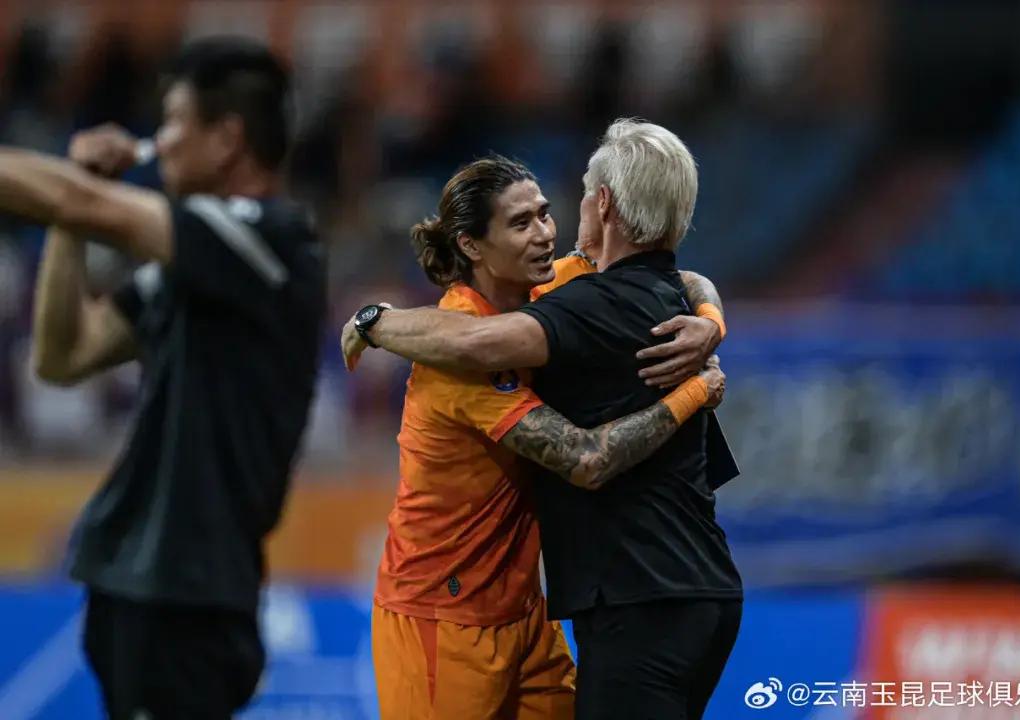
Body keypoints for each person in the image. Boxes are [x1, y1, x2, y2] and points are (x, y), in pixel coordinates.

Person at [342, 119, 742, 719]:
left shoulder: (546, 291)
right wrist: (696, 390)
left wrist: (710, 320)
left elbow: (666, 274)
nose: (545, 235)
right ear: (472, 246)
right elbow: (584, 457)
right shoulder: (459, 356)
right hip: (442, 614)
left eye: (545, 214)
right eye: (520, 223)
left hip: (523, 609)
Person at [0, 38, 324, 718]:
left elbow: (89, 205)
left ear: (226, 138)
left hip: (190, 594)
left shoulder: (271, 238)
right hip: (137, 583)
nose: (161, 141)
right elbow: (64, 355)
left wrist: (78, 196)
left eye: (173, 121)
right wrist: (70, 218)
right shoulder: (190, 270)